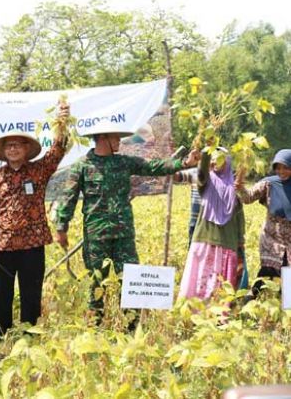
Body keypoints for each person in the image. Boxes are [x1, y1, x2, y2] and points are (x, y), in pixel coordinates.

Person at [54, 129, 199, 324]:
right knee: (96, 285)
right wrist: (61, 228)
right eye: (116, 138)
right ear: (103, 138)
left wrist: (184, 163)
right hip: (97, 236)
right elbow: (68, 198)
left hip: (123, 235)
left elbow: (153, 167)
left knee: (131, 282)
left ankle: (132, 329)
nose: (119, 142)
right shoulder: (82, 166)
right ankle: (94, 330)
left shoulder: (123, 162)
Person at [0, 103, 70, 338]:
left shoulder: (39, 170)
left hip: (33, 245)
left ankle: (30, 337)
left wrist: (63, 121)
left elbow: (58, 150)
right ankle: (0, 338)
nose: (12, 150)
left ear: (26, 148)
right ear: (4, 151)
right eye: (8, 146)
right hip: (4, 245)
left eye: (17, 145)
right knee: (1, 294)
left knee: (31, 293)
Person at [179, 151, 245, 300]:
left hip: (227, 243)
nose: (215, 164)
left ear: (227, 163)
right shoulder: (206, 183)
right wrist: (206, 152)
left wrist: (241, 240)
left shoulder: (234, 188)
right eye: (213, 162)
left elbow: (240, 216)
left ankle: (218, 319)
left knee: (220, 288)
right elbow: (202, 172)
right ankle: (193, 316)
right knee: (199, 285)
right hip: (204, 241)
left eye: (219, 161)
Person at [236, 149, 291, 300]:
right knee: (267, 271)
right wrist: (240, 187)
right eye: (278, 167)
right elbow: (248, 198)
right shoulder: (269, 184)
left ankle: (284, 310)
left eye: (286, 167)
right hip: (271, 238)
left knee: (288, 276)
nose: (282, 171)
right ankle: (249, 300)